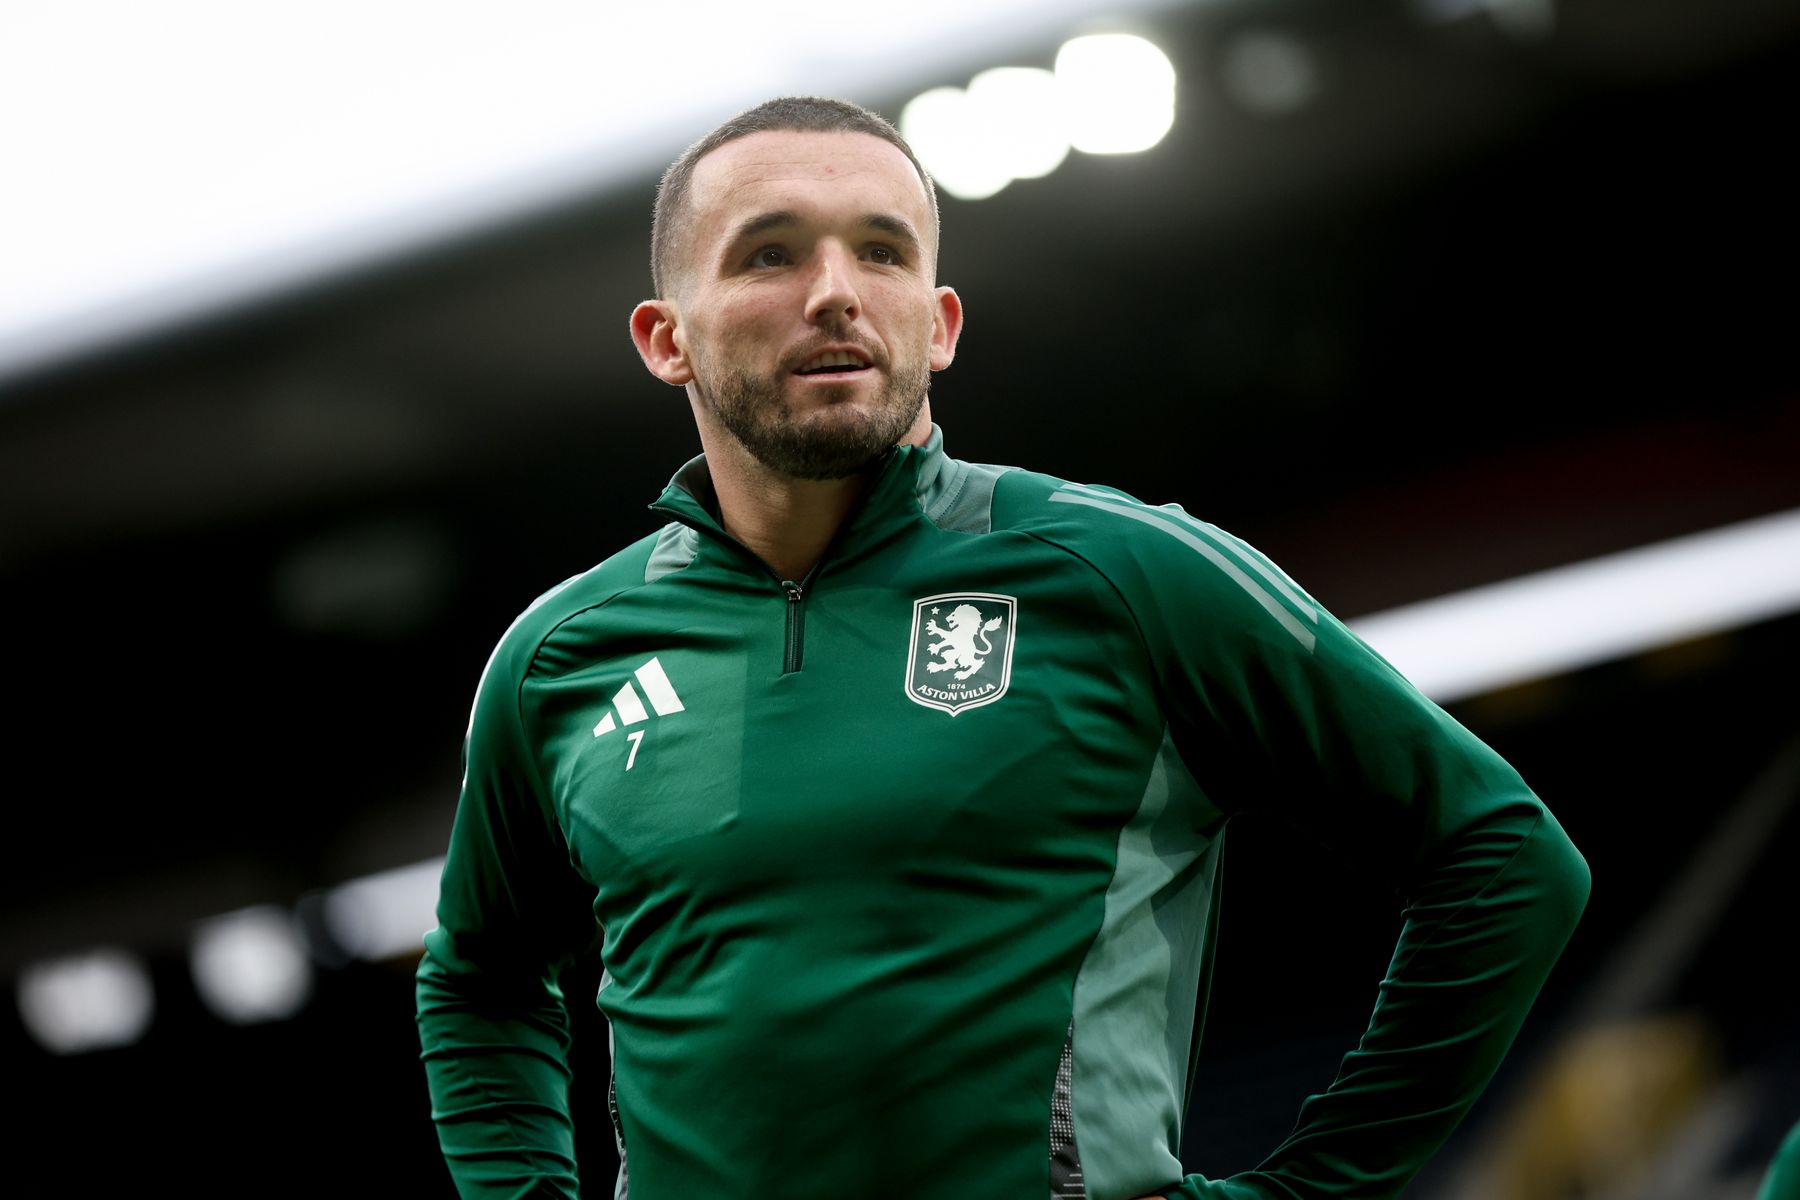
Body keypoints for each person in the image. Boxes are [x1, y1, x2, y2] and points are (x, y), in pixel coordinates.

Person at [415, 96, 1591, 1200]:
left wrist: (1310, 1188)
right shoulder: (559, 657)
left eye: (881, 251)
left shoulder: (1126, 572)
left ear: (939, 324)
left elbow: (1503, 855)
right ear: (665, 340)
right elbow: (479, 977)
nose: (835, 292)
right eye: (770, 253)